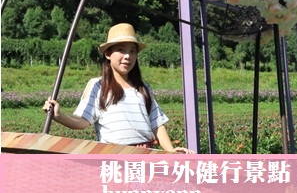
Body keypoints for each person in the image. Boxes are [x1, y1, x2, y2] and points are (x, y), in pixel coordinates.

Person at [42, 23, 189, 152]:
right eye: (121, 50)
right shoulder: (98, 86)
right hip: (114, 155)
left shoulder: (143, 88)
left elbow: (157, 123)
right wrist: (60, 116)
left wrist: (171, 151)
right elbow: (82, 121)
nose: (127, 56)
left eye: (132, 51)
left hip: (145, 155)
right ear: (108, 54)